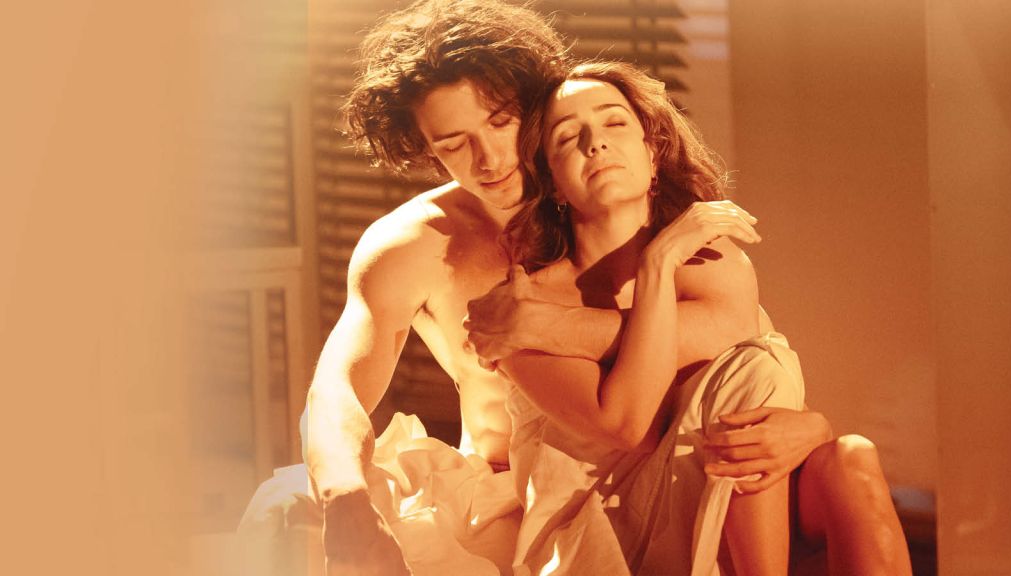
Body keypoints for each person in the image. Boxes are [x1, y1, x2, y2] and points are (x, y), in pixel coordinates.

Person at [236, 1, 844, 575]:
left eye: (502, 122)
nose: (489, 158)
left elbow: (739, 346)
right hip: (503, 488)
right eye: (453, 144)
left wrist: (814, 426)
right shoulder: (412, 244)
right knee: (290, 505)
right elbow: (338, 386)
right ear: (423, 149)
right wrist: (344, 496)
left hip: (656, 473)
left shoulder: (632, 214)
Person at [469, 61, 913, 574]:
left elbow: (741, 374)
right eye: (568, 137)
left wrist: (815, 427)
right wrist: (658, 266)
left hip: (718, 494)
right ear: (553, 184)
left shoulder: (710, 264)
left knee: (850, 456)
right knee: (752, 369)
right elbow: (627, 424)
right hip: (602, 533)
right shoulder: (521, 300)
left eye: (614, 122)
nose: (596, 143)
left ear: (652, 154)